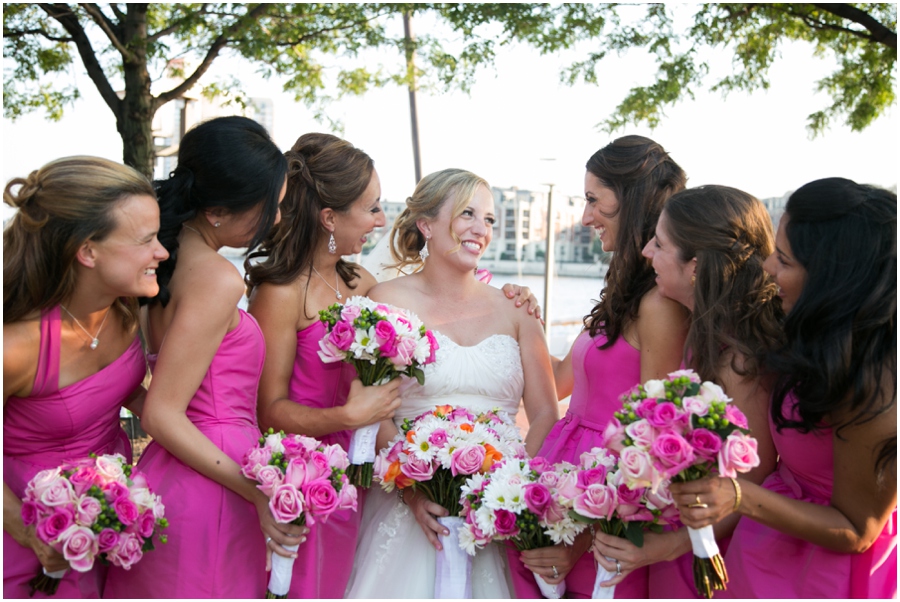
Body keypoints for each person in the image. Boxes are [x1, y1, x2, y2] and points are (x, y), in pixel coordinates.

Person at [104, 116, 306, 598]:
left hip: (169, 473)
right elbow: (161, 411)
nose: (275, 221)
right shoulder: (217, 279)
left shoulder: (161, 265)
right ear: (218, 209)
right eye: (269, 208)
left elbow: (150, 392)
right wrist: (254, 492)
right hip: (214, 484)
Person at [669, 178, 897, 598]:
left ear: (833, 278)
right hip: (766, 549)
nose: (768, 267)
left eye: (786, 260)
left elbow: (857, 529)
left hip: (825, 572)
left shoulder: (878, 389)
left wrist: (739, 494)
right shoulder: (811, 338)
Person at [345, 168, 559, 598]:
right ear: (426, 225)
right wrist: (413, 492)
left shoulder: (517, 309)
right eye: (467, 214)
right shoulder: (386, 302)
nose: (481, 229)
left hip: (498, 512)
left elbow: (546, 414)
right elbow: (373, 407)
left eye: (490, 219)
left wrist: (505, 493)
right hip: (412, 506)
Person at [509, 135, 690, 599]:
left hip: (609, 515)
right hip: (567, 486)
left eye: (593, 200)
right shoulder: (622, 296)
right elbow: (560, 380)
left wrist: (583, 538)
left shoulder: (659, 307)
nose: (586, 216)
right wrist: (517, 317)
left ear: (631, 202)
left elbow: (654, 449)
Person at [598, 185, 781, 598]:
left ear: (696, 266)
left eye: (659, 244)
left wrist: (671, 548)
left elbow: (753, 480)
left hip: (712, 550)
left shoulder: (740, 358)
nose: (646, 252)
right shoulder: (703, 332)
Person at [245, 132, 403, 598]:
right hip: (301, 480)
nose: (381, 219)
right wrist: (346, 418)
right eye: (371, 207)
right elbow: (267, 409)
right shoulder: (280, 293)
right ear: (330, 217)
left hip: (362, 478)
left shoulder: (363, 282)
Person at [3, 156, 168, 598]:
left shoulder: (125, 310)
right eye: (146, 240)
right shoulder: (15, 348)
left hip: (105, 521)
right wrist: (27, 532)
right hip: (24, 534)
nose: (162, 252)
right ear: (88, 251)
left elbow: (123, 390)